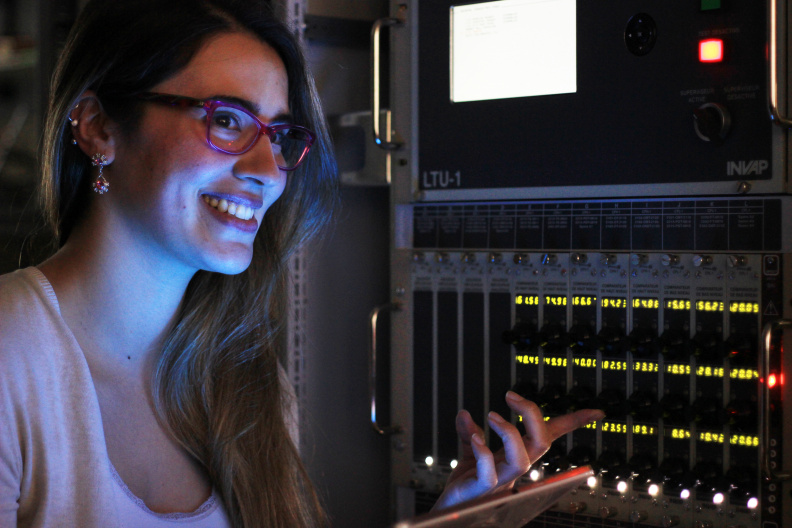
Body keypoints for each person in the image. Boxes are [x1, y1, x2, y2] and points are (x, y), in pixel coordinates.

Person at [0, 0, 603, 526]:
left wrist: (455, 517)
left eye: (280, 136)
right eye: (227, 120)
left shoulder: (250, 382)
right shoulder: (11, 356)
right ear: (98, 126)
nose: (268, 172)